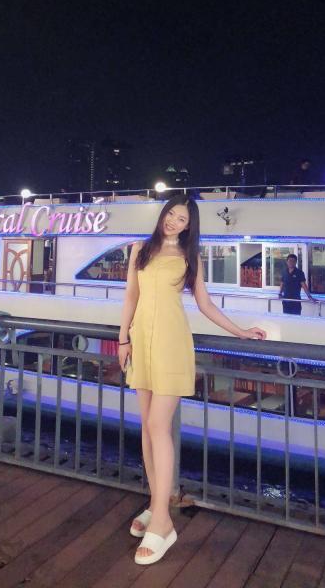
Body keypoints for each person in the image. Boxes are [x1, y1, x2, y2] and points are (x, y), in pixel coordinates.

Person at [118, 194, 267, 566]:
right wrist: (122, 339)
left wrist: (240, 331)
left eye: (181, 218)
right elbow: (130, 297)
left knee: (158, 426)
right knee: (146, 428)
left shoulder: (189, 257)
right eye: (171, 213)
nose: (173, 221)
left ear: (189, 226)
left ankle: (163, 521)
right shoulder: (140, 250)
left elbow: (205, 303)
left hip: (171, 342)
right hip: (141, 341)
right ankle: (155, 506)